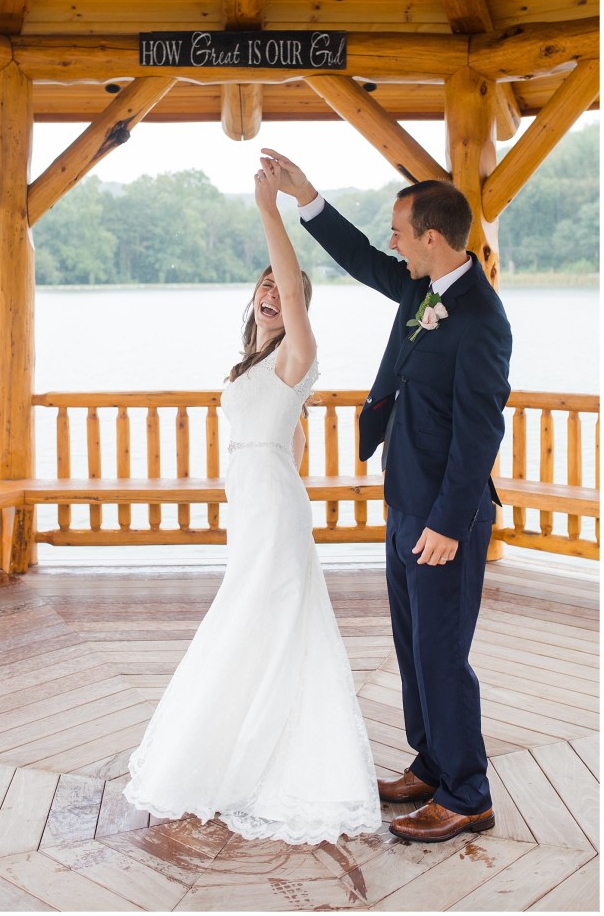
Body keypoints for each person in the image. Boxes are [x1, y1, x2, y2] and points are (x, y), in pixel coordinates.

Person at [123, 156, 381, 846]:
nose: (273, 292)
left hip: (273, 511)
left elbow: (297, 296)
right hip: (256, 504)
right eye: (264, 285)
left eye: (281, 286)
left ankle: (266, 761)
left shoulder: (299, 354)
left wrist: (270, 208)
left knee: (260, 616)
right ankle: (229, 747)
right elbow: (283, 446)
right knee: (251, 614)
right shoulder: (251, 364)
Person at [261, 147, 512, 844]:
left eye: (400, 231)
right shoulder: (419, 286)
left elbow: (478, 432)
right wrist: (304, 193)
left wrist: (449, 523)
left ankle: (468, 793)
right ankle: (430, 765)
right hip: (405, 501)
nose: (392, 243)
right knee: (413, 647)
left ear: (432, 237)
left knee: (442, 655)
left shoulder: (482, 322)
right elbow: (358, 257)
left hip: (443, 521)